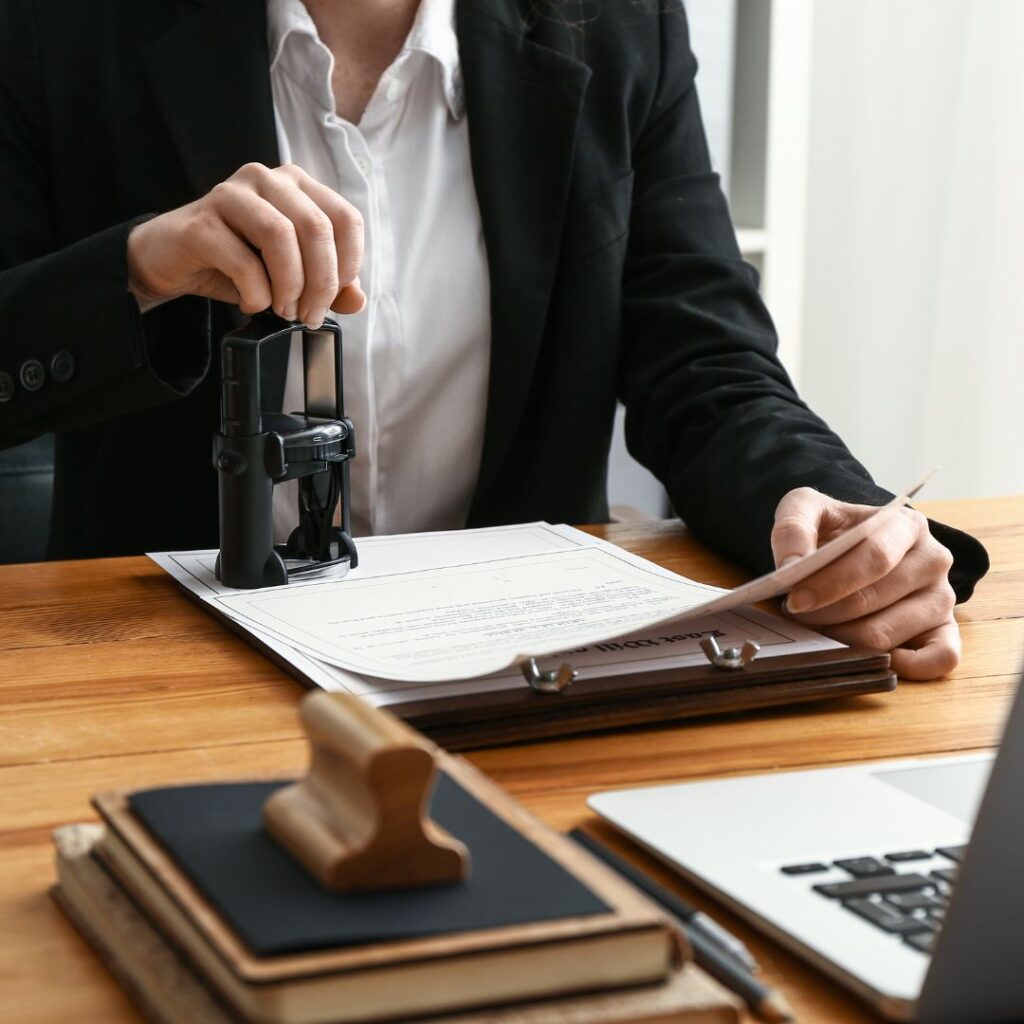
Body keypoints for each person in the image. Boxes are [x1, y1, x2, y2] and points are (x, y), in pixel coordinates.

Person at [0, 0, 987, 678]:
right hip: (161, 673)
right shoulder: (57, 27)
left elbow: (707, 359)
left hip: (518, 674)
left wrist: (822, 511)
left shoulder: (617, 21)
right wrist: (140, 267)